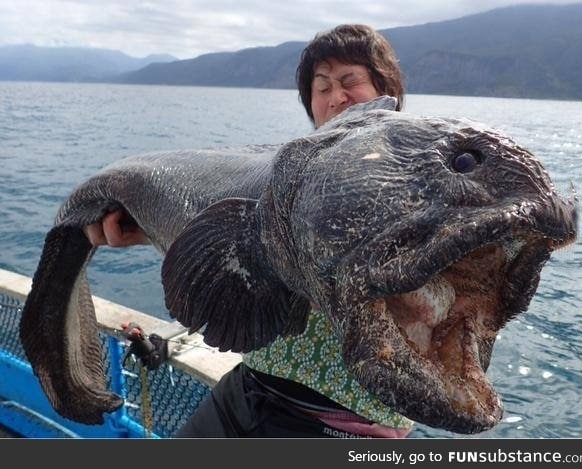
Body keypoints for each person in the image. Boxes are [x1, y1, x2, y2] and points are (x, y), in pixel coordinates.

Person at [85, 24, 412, 438]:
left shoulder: (414, 184)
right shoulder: (288, 181)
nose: (336, 99)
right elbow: (250, 254)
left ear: (389, 91)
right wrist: (150, 229)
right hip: (249, 388)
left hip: (342, 425)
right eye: (322, 87)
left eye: (351, 82)